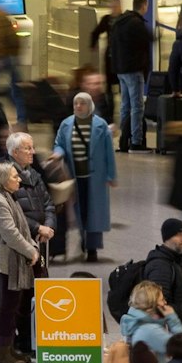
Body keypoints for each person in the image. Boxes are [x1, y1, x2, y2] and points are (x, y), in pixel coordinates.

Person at [0, 160, 40, 363]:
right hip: (6, 262)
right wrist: (31, 250)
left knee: (13, 306)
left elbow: (19, 228)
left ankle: (9, 347)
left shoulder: (6, 197)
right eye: (14, 176)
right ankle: (2, 353)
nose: (19, 179)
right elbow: (11, 235)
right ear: (4, 180)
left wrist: (31, 246)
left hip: (14, 260)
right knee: (8, 307)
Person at [54, 91, 118, 261]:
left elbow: (108, 153)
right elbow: (59, 143)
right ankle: (84, 239)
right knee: (80, 210)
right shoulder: (66, 124)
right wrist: (57, 154)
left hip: (95, 177)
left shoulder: (101, 125)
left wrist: (111, 175)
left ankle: (93, 248)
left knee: (94, 212)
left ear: (89, 105)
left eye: (82, 103)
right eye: (76, 103)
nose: (78, 106)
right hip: (74, 175)